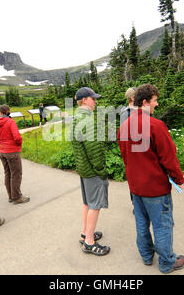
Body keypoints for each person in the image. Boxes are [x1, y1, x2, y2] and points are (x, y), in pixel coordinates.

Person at [118, 83, 184, 274]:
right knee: (162, 225)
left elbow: (125, 156)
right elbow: (169, 157)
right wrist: (178, 178)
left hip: (135, 186)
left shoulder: (123, 127)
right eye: (155, 101)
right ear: (145, 102)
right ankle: (167, 262)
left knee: (141, 222)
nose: (157, 104)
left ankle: (147, 256)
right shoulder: (156, 125)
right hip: (155, 187)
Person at [71, 87, 110, 256]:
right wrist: (101, 170)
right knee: (95, 205)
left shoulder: (76, 118)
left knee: (87, 202)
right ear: (85, 100)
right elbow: (94, 150)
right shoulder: (89, 121)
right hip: (92, 170)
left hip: (83, 168)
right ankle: (89, 242)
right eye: (93, 99)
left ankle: (85, 232)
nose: (95, 101)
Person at [0, 105, 30, 204]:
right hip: (12, 151)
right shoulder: (10, 122)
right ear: (8, 111)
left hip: (2, 152)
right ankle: (17, 197)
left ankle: (11, 195)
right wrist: (18, 145)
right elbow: (17, 137)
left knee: (8, 173)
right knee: (16, 174)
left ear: (0, 112)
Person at [120, 87, 137, 214]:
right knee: (134, 178)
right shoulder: (126, 112)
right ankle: (135, 204)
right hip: (132, 151)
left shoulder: (137, 110)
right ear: (132, 98)